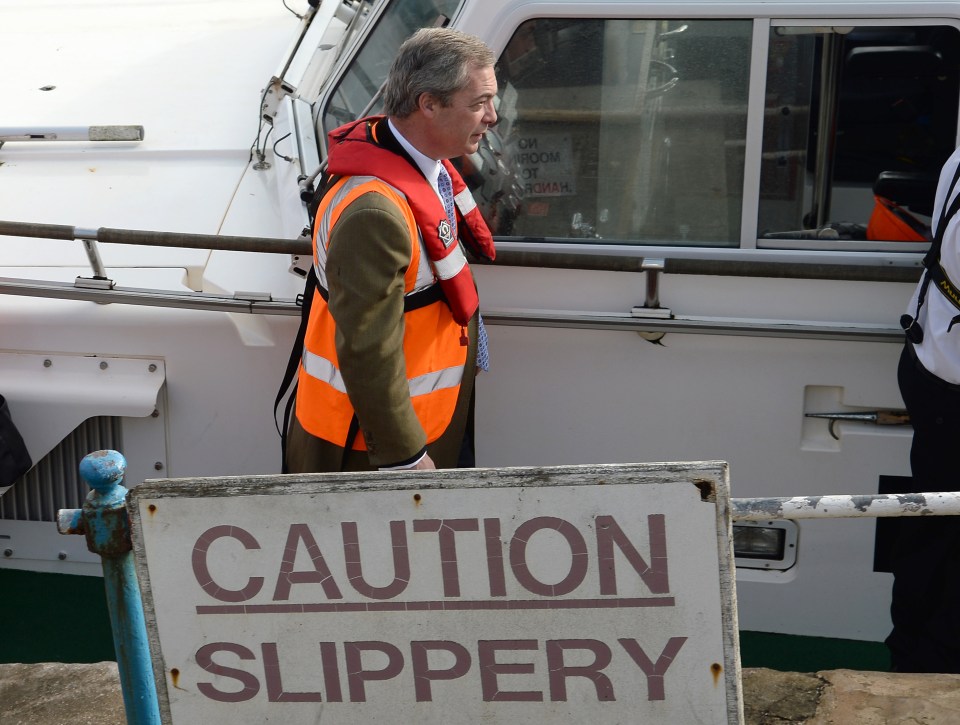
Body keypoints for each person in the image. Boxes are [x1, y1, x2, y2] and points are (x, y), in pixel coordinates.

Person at [285, 28, 498, 473]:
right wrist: (405, 458)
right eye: (479, 103)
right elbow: (367, 347)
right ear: (428, 104)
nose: (492, 117)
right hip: (375, 449)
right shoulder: (375, 215)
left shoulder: (425, 166)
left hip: (434, 414)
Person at [887, 145, 960, 672]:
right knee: (940, 529)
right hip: (950, 375)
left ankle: (912, 652)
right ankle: (933, 664)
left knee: (931, 521)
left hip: (932, 360)